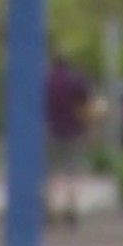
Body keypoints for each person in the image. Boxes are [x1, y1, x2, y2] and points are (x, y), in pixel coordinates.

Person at [44, 48, 92, 227]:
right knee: (72, 171)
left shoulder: (46, 80)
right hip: (74, 130)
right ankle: (71, 208)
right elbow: (85, 104)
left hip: (51, 130)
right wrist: (88, 126)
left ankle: (51, 208)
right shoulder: (77, 80)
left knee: (51, 172)